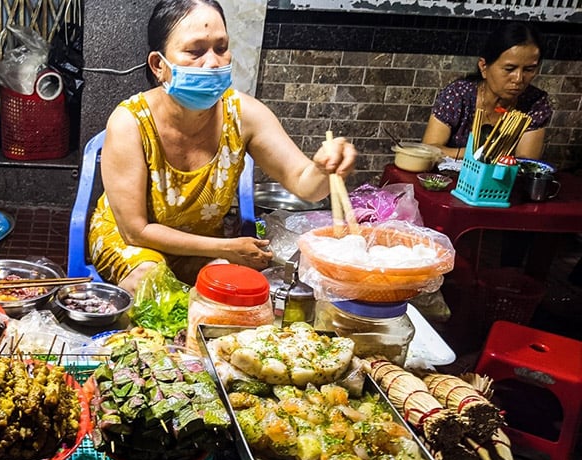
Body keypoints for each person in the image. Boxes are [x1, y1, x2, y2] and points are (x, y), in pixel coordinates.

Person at [88, 0, 356, 293]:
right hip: (133, 242)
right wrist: (226, 247)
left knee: (228, 290)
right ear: (158, 65)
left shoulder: (244, 116)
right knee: (151, 283)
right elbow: (135, 231)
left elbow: (307, 186)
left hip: (202, 243)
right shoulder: (130, 122)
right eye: (195, 51)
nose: (213, 62)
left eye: (220, 47)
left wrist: (324, 168)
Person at [422, 22, 552, 160]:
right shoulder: (459, 95)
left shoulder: (534, 103)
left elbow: (526, 162)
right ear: (484, 67)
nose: (519, 79)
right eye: (509, 69)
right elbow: (429, 149)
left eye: (529, 70)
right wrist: (477, 154)